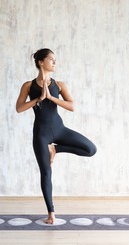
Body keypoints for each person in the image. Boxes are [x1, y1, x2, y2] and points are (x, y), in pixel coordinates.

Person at [16, 48, 97, 224]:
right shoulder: (28, 86)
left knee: (91, 149)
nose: (54, 63)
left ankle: (56, 149)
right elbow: (19, 108)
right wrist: (39, 99)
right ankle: (51, 213)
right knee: (46, 173)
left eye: (55, 60)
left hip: (60, 129)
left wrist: (51, 98)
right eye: (51, 60)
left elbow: (72, 106)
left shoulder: (59, 84)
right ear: (40, 62)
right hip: (41, 134)